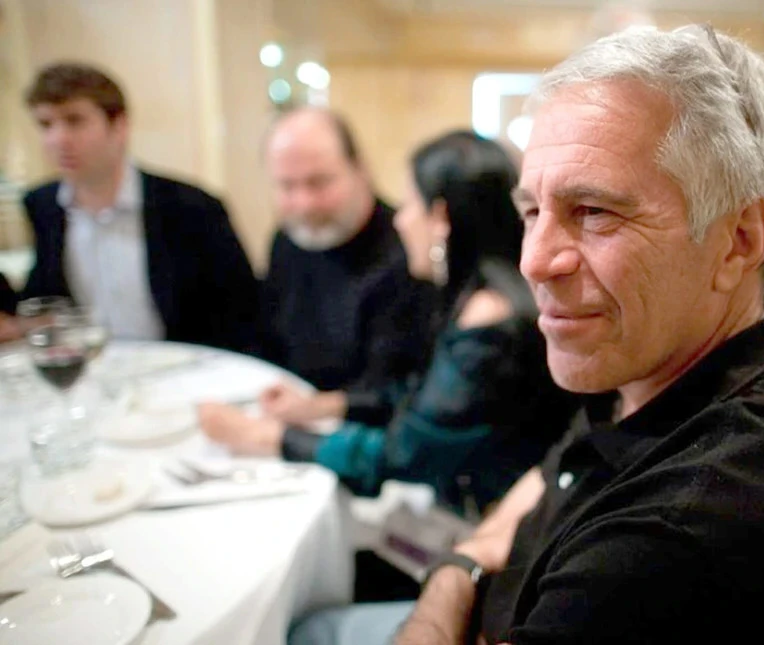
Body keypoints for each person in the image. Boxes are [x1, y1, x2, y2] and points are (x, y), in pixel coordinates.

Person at [288, 25, 764, 644]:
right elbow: (551, 472)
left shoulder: (680, 530)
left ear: (738, 241)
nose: (534, 261)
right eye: (532, 211)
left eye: (594, 211)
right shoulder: (655, 369)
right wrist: (472, 558)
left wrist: (454, 572)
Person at [199, 130, 577, 516]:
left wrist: (266, 436)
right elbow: (424, 399)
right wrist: (321, 407)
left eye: (410, 203)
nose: (400, 220)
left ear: (440, 217)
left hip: (495, 515)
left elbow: (406, 453)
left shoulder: (489, 318)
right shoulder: (483, 296)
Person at [20, 63, 259, 352]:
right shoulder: (42, 206)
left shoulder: (192, 207)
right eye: (45, 125)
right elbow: (42, 297)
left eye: (75, 121)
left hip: (181, 366)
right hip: (90, 365)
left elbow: (243, 316)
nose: (58, 140)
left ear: (119, 125)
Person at [256, 108, 434, 391]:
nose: (304, 205)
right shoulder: (286, 240)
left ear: (360, 170)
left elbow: (395, 387)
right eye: (287, 186)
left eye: (319, 182)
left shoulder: (407, 252)